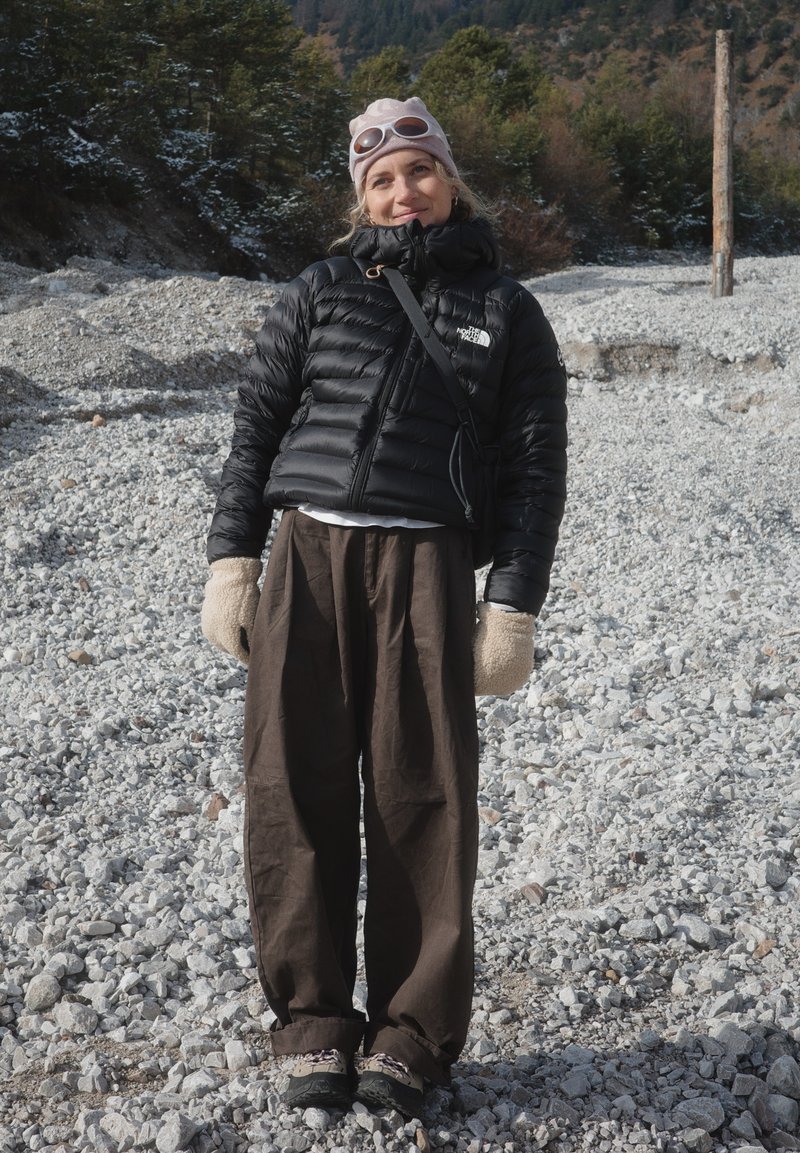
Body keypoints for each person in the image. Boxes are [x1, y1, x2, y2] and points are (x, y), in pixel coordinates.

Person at [200, 96, 567, 1118]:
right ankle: (312, 1023)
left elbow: (537, 473)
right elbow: (255, 428)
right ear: (358, 196)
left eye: (418, 170)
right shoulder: (316, 289)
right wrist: (233, 560)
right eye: (380, 179)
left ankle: (410, 1036)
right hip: (307, 558)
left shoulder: (508, 312)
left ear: (449, 178)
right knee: (290, 789)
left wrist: (512, 608)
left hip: (426, 568)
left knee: (424, 799)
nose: (402, 192)